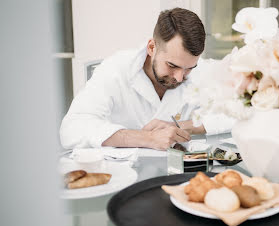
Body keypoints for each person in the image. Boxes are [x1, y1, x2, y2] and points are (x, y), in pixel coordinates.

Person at [60, 8, 232, 150]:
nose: (180, 77)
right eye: (172, 66)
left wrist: (184, 126)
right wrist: (146, 138)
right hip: (124, 177)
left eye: (189, 68)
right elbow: (72, 129)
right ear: (151, 47)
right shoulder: (115, 69)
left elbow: (243, 113)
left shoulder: (202, 70)